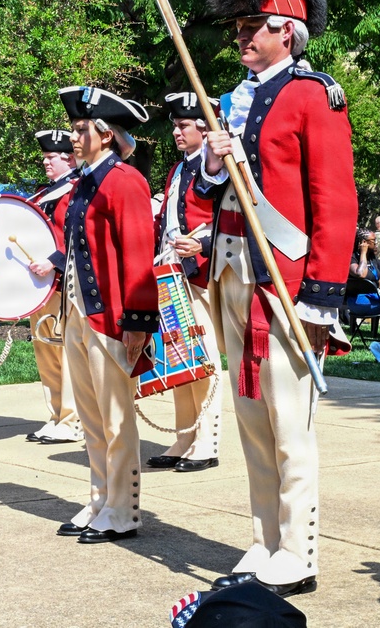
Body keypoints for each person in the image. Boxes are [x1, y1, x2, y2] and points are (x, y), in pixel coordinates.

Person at [199, 0, 357, 595]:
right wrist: (214, 163)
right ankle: (264, 537)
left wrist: (322, 296)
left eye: (252, 22)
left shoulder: (314, 96)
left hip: (284, 281)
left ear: (285, 29)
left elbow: (335, 203)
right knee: (251, 417)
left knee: (289, 422)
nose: (240, 32)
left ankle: (298, 548)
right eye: (237, 23)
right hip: (233, 274)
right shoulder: (234, 101)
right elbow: (220, 194)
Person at [52, 85, 158, 544]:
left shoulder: (125, 181)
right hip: (79, 314)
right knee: (92, 419)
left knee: (116, 420)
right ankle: (99, 499)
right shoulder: (84, 182)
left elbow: (138, 257)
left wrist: (137, 321)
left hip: (111, 316)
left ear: (107, 135)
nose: (73, 138)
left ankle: (123, 509)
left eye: (80, 131)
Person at [148, 91, 223, 473]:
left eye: (183, 125)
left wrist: (202, 242)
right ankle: (185, 435)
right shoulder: (178, 169)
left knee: (202, 358)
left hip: (200, 273)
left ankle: (207, 440)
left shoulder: (218, 167)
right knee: (179, 357)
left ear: (204, 128)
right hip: (171, 273)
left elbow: (233, 218)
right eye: (175, 126)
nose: (176, 131)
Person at [24, 129, 82, 445]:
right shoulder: (45, 193)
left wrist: (55, 261)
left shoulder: (77, 190)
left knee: (66, 352)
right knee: (46, 350)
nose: (45, 163)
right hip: (41, 286)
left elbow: (78, 236)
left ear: (69, 159)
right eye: (45, 158)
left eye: (51, 158)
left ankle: (74, 419)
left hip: (63, 281)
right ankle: (56, 414)